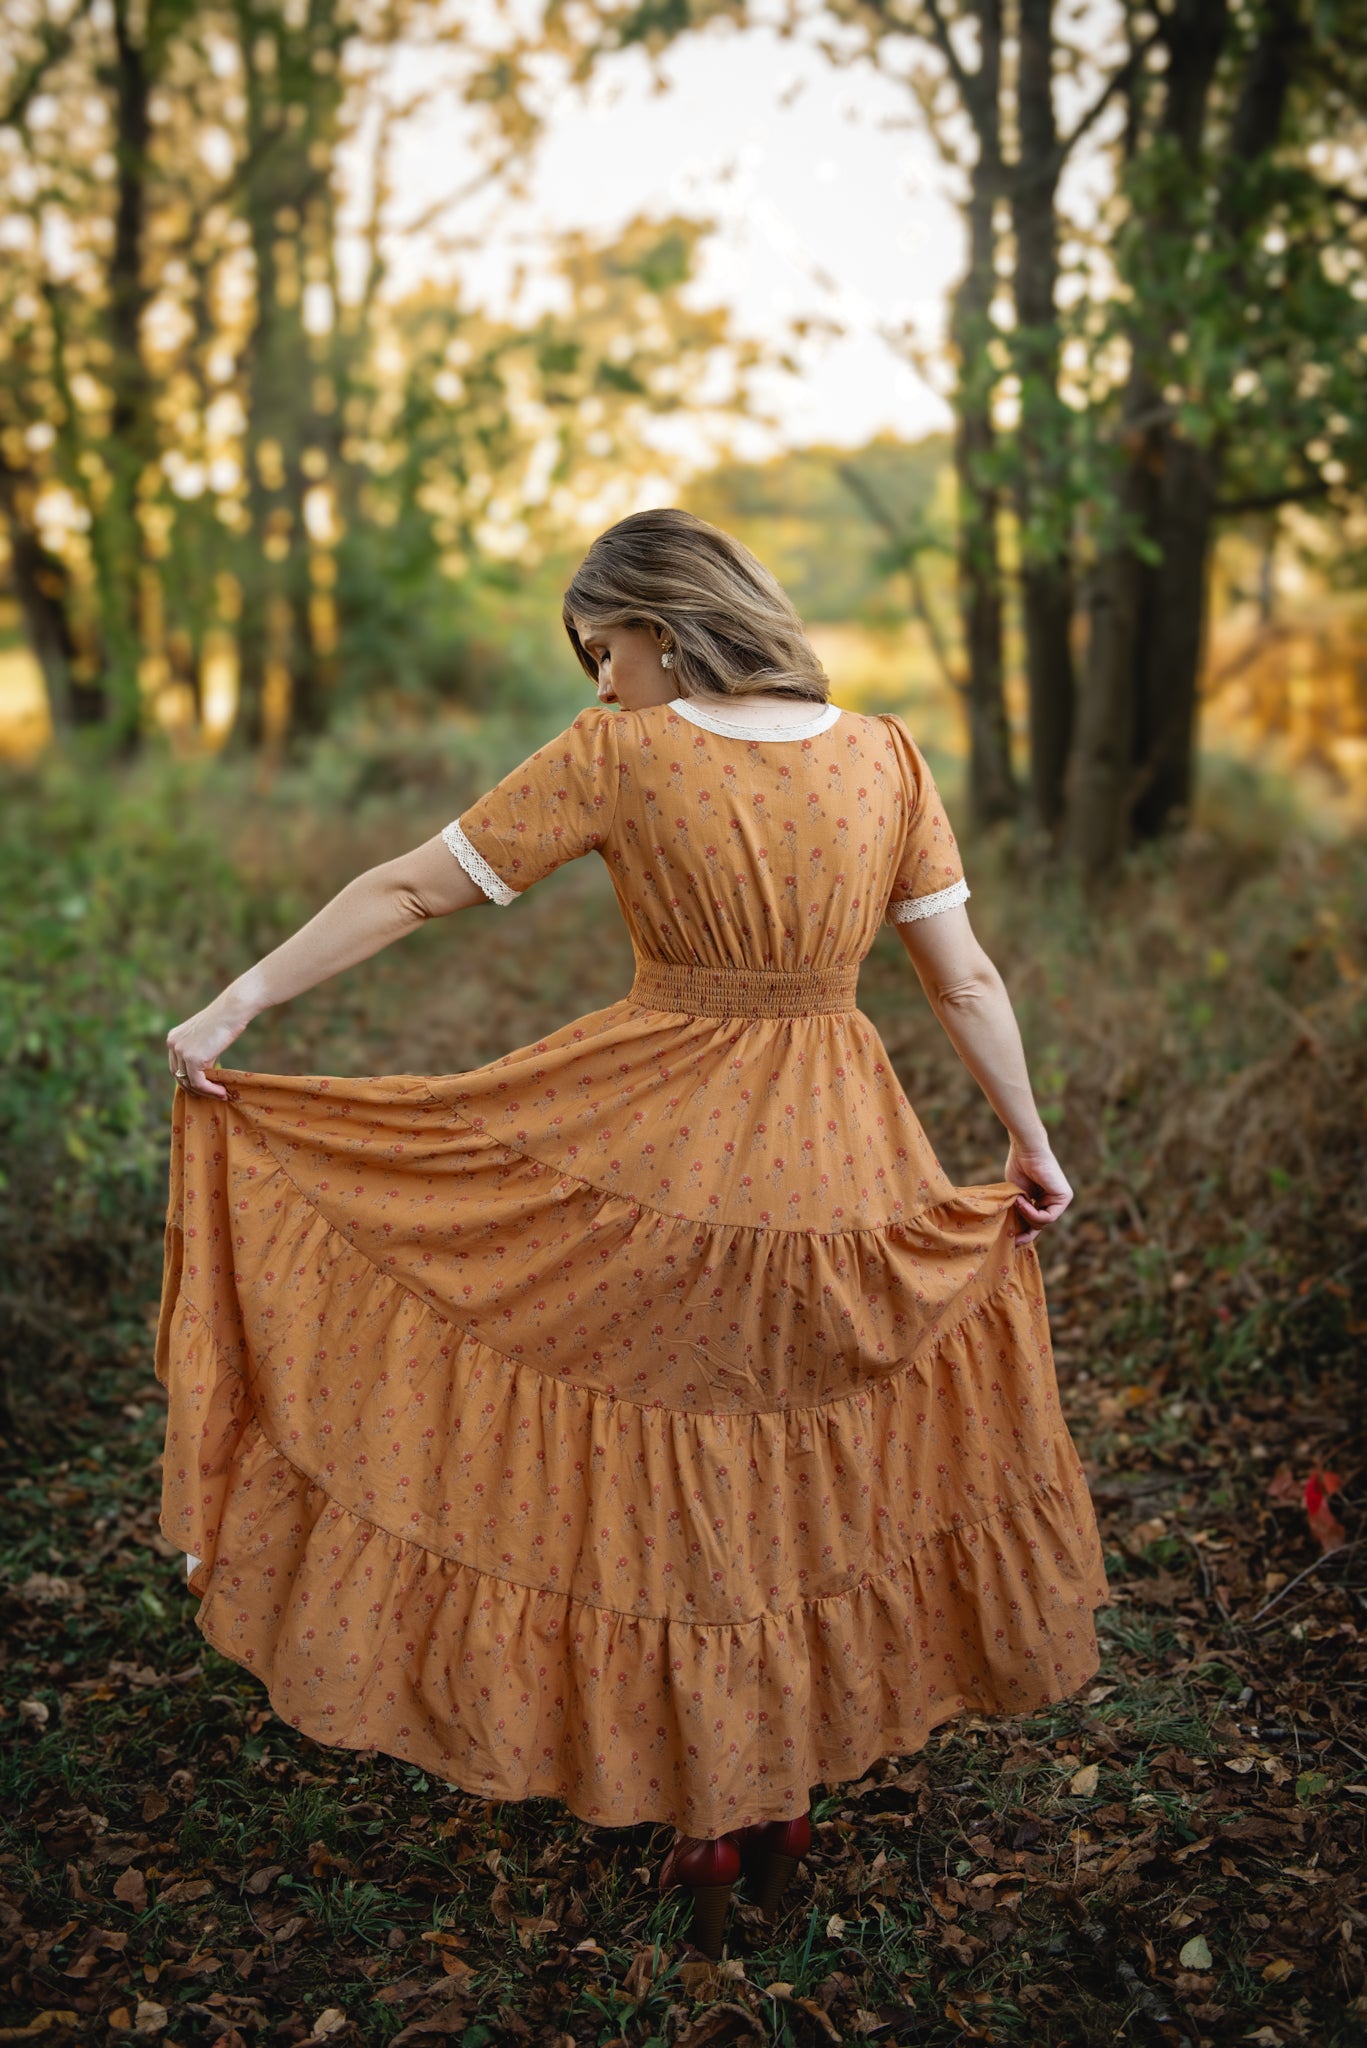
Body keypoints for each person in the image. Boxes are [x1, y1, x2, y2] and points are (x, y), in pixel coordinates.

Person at [158, 507, 1108, 1959]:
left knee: (677, 1467)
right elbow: (962, 980)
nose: (601, 686)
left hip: (657, 1145)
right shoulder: (887, 755)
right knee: (795, 1457)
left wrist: (238, 1006)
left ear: (665, 627)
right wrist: (1030, 1146)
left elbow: (417, 885)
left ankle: (713, 1818)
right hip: (846, 1156)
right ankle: (779, 1802)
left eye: (606, 652)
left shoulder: (625, 756)